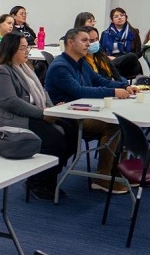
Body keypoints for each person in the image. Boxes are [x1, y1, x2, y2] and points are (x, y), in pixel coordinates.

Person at [0, 33, 76, 200]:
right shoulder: (0, 71)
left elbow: (43, 91)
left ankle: (50, 177)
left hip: (34, 113)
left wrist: (51, 108)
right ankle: (37, 183)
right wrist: (42, 114)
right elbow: (11, 102)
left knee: (72, 131)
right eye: (23, 48)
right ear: (10, 50)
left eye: (28, 47)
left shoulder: (25, 67)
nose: (27, 52)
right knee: (55, 140)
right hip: (11, 120)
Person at [45, 28, 138, 194]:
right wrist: (113, 92)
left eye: (90, 41)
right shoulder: (60, 66)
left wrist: (125, 86)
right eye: (84, 40)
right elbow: (79, 91)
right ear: (70, 42)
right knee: (113, 126)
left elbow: (99, 81)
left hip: (85, 111)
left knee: (124, 123)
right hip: (68, 116)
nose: (89, 44)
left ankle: (117, 172)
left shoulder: (82, 63)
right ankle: (103, 178)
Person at [99, 7, 142, 78]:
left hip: (129, 63)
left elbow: (139, 52)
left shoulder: (133, 32)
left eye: (122, 15)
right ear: (111, 20)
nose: (120, 18)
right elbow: (101, 51)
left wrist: (122, 59)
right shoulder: (105, 34)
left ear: (126, 17)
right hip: (111, 60)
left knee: (131, 55)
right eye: (116, 16)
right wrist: (109, 58)